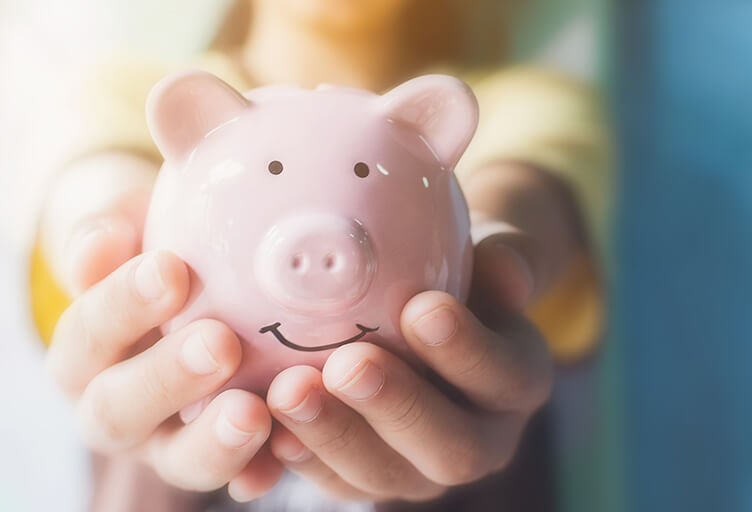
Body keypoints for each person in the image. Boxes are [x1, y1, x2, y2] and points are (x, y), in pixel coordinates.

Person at [31, 0, 611, 510]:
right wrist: (104, 229)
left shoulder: (523, 102)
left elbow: (520, 189)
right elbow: (96, 170)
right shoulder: (127, 92)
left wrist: (482, 241)